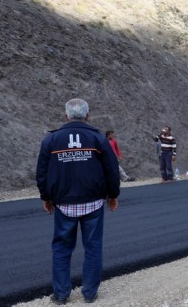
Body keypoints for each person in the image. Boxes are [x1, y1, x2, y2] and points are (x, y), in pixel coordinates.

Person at [36, 98, 120, 305]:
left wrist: (46, 197)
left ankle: (62, 295)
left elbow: (42, 174)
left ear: (66, 116)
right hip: (93, 203)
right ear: (87, 115)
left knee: (62, 249)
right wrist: (113, 195)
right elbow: (111, 169)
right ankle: (90, 293)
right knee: (93, 247)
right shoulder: (98, 138)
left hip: (64, 205)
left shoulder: (51, 140)